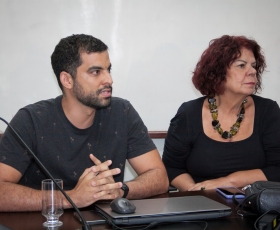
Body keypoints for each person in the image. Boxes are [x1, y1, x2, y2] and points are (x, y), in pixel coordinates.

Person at [0, 34, 168, 211]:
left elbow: (160, 177)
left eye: (108, 70)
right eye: (96, 72)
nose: (109, 80)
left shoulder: (122, 112)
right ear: (67, 80)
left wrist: (119, 190)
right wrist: (71, 198)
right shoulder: (31, 120)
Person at [162, 35, 280, 192]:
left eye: (254, 66)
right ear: (218, 72)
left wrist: (226, 182)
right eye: (241, 65)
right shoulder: (189, 114)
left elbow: (277, 169)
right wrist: (198, 192)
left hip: (255, 209)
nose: (252, 72)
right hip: (202, 209)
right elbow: (172, 168)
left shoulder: (268, 111)